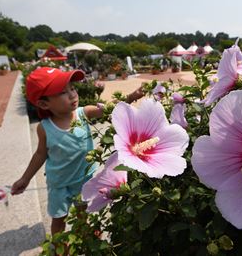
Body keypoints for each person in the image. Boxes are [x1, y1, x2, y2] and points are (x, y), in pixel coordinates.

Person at [11, 67, 143, 235]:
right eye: (62, 92)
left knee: (83, 214)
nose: (72, 94)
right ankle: (58, 247)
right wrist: (25, 178)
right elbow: (40, 154)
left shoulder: (83, 113)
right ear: (44, 104)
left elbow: (109, 108)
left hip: (84, 180)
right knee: (59, 219)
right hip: (59, 184)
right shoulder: (44, 128)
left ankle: (84, 240)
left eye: (72, 88)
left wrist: (131, 97)